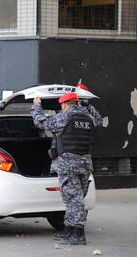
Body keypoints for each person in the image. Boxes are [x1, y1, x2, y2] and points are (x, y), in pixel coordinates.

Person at [31, 86, 102, 245]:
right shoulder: (88, 117)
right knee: (75, 199)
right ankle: (69, 232)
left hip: (68, 165)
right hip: (85, 164)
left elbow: (40, 122)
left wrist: (36, 106)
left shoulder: (64, 117)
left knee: (74, 199)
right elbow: (99, 120)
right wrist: (87, 104)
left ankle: (77, 234)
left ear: (64, 104)